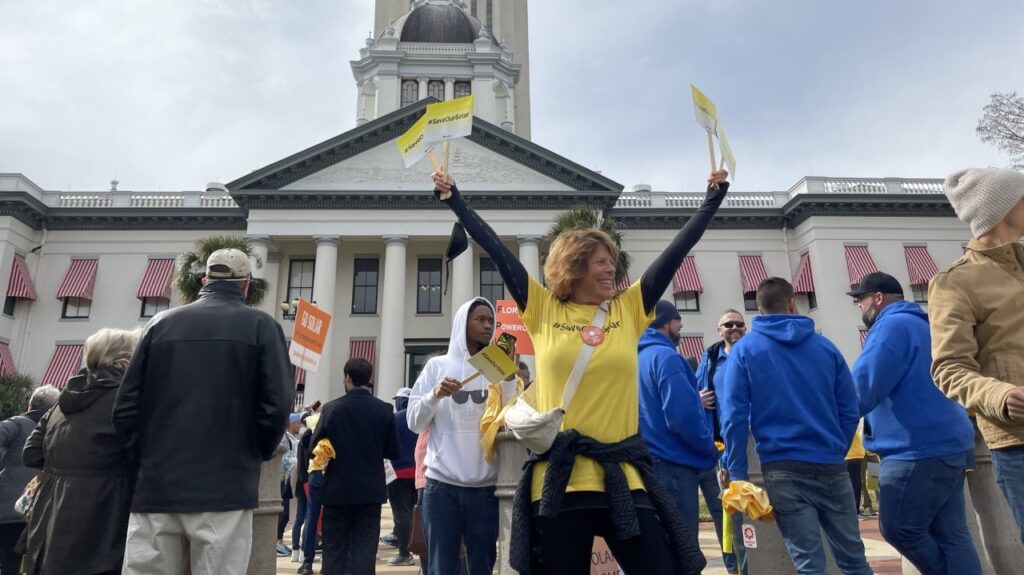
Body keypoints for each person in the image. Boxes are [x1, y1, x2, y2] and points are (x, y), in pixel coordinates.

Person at [432, 170, 728, 575]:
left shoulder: (628, 309)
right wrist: (454, 200)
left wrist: (711, 200)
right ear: (575, 267)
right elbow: (496, 248)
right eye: (602, 262)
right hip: (559, 484)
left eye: (613, 263)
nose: (612, 269)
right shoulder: (543, 308)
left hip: (624, 479)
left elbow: (677, 250)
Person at [113, 248, 294, 575]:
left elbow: (125, 408)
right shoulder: (262, 326)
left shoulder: (160, 323)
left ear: (203, 281)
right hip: (225, 490)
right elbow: (278, 405)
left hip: (157, 490)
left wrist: (146, 459)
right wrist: (254, 453)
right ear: (246, 285)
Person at [720, 278, 871, 575]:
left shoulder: (744, 350)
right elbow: (849, 407)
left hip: (781, 465)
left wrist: (737, 473)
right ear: (793, 303)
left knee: (808, 563)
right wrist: (836, 447)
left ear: (759, 310)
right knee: (853, 559)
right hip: (830, 462)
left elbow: (734, 417)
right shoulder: (825, 347)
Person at [849, 271, 981, 573]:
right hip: (952, 441)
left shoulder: (889, 327)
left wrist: (829, 419)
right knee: (953, 536)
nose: (859, 306)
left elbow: (863, 388)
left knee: (898, 528)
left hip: (915, 447)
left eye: (861, 299)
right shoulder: (924, 324)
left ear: (878, 299)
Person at [929, 167, 1024, 541]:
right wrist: (999, 395)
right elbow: (948, 368)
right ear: (1001, 208)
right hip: (1017, 439)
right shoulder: (955, 281)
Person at [407, 298, 517, 575]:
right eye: (479, 319)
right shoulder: (437, 367)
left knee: (482, 567)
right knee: (440, 568)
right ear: (462, 323)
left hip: (485, 487)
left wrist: (508, 378)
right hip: (442, 486)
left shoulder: (495, 367)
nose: (487, 326)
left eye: (490, 321)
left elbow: (511, 417)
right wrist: (434, 395)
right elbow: (414, 422)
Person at [22, 329, 138, 575]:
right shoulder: (128, 400)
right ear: (125, 361)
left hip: (48, 521)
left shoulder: (62, 401)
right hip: (102, 518)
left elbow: (31, 453)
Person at [637, 300, 718, 549]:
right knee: (684, 550)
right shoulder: (666, 357)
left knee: (665, 548)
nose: (681, 324)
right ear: (664, 322)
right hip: (674, 464)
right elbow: (682, 416)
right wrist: (708, 448)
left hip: (649, 461)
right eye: (677, 318)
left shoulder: (637, 357)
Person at [311, 358, 399, 575]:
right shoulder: (384, 410)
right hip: (370, 491)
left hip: (337, 490)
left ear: (347, 377)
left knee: (334, 549)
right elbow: (393, 451)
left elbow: (315, 446)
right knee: (365, 549)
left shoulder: (331, 409)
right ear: (369, 379)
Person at [694, 309, 748, 574]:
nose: (735, 327)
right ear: (719, 330)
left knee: (756, 509)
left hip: (752, 444)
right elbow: (694, 389)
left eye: (739, 323)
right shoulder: (712, 358)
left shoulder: (753, 353)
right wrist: (697, 399)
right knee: (726, 514)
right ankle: (734, 568)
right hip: (721, 447)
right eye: (729, 324)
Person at [0, 385, 58, 574]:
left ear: (30, 405)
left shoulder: (17, 423)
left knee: (7, 561)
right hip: (39, 510)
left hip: (6, 508)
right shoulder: (57, 429)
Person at [385, 387, 419, 566]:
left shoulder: (394, 418)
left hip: (397, 472)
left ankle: (404, 552)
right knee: (415, 511)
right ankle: (418, 546)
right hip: (418, 472)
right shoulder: (418, 417)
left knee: (402, 513)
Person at [277, 413, 301, 557]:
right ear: (291, 423)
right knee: (283, 511)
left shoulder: (292, 438)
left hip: (287, 477)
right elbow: (285, 457)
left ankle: (279, 540)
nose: (299, 425)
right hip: (283, 477)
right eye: (297, 423)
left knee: (285, 511)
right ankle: (277, 540)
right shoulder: (284, 438)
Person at [290, 412, 312, 563]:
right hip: (309, 483)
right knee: (309, 518)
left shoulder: (301, 440)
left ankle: (295, 550)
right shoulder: (311, 440)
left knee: (299, 518)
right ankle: (304, 550)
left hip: (300, 482)